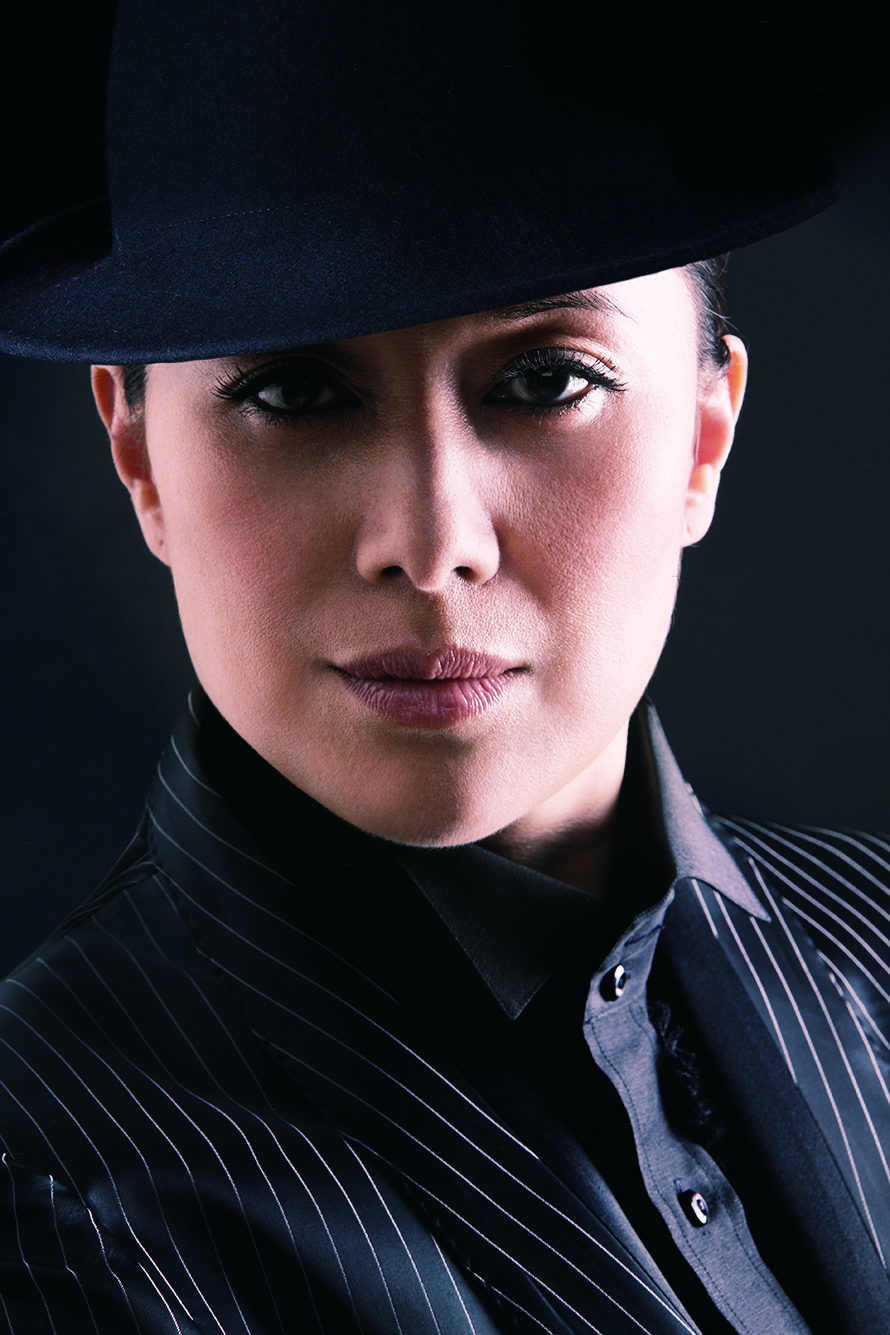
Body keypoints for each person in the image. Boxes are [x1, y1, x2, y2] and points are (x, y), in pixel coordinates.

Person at [1, 4, 888, 1332]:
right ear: (139, 457)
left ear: (706, 432)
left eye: (546, 381)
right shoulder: (44, 1180)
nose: (429, 544)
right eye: (296, 392)